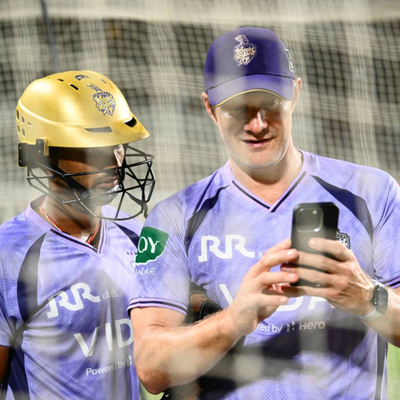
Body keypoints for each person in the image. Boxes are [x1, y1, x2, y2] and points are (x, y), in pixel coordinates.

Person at [128, 27, 400, 399]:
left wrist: (366, 296)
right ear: (209, 108)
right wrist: (234, 320)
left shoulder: (372, 192)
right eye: (237, 108)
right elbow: (150, 367)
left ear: (295, 93)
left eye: (269, 103)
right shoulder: (174, 218)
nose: (256, 124)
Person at [0, 70, 155, 399]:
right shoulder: (7, 254)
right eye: (92, 148)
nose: (114, 162)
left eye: (118, 146)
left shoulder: (136, 233)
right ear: (42, 156)